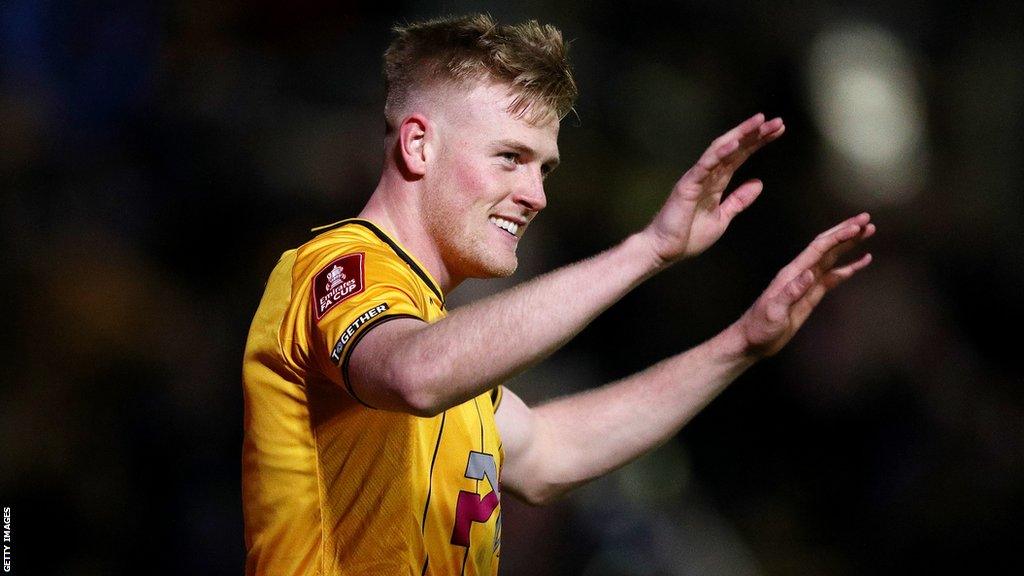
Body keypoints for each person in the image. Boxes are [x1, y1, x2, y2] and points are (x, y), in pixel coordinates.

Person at [241, 13, 875, 576]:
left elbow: (550, 453)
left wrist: (740, 344)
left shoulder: (437, 335)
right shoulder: (334, 267)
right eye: (510, 157)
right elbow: (415, 372)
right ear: (417, 144)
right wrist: (646, 250)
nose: (536, 195)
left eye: (544, 169)